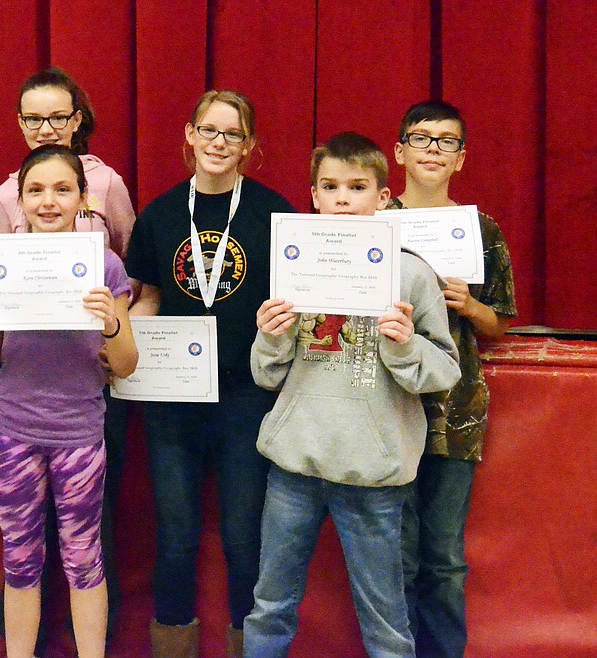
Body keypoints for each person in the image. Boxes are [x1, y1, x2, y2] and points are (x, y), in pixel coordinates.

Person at [243, 132, 460, 658]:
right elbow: (267, 376)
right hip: (294, 467)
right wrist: (271, 335)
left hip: (373, 474)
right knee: (270, 606)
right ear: (314, 197)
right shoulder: (292, 265)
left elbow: (445, 370)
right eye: (330, 186)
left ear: (383, 198)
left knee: (385, 620)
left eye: (358, 187)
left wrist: (406, 347)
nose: (343, 198)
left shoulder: (411, 273)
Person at [123, 90, 295, 658]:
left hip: (248, 396)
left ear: (250, 147)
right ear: (190, 136)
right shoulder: (160, 214)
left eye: (233, 134)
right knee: (175, 536)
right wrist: (117, 336)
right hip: (172, 399)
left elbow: (295, 301)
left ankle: (253, 646)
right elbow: (148, 297)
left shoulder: (275, 214)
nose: (220, 142)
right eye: (210, 130)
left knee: (245, 537)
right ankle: (173, 643)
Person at [0, 145, 137, 658]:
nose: (49, 202)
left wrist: (110, 322)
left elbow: (127, 363)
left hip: (80, 436)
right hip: (16, 433)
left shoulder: (104, 265)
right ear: (18, 201)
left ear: (83, 200)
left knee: (84, 558)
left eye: (62, 190)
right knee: (20, 560)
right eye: (36, 191)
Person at [390, 101, 517, 658]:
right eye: (422, 138)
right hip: (385, 408)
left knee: (442, 561)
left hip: (455, 415)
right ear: (399, 152)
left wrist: (469, 305)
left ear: (461, 158)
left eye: (446, 141)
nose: (433, 149)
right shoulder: (372, 219)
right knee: (394, 554)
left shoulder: (482, 231)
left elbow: (501, 324)